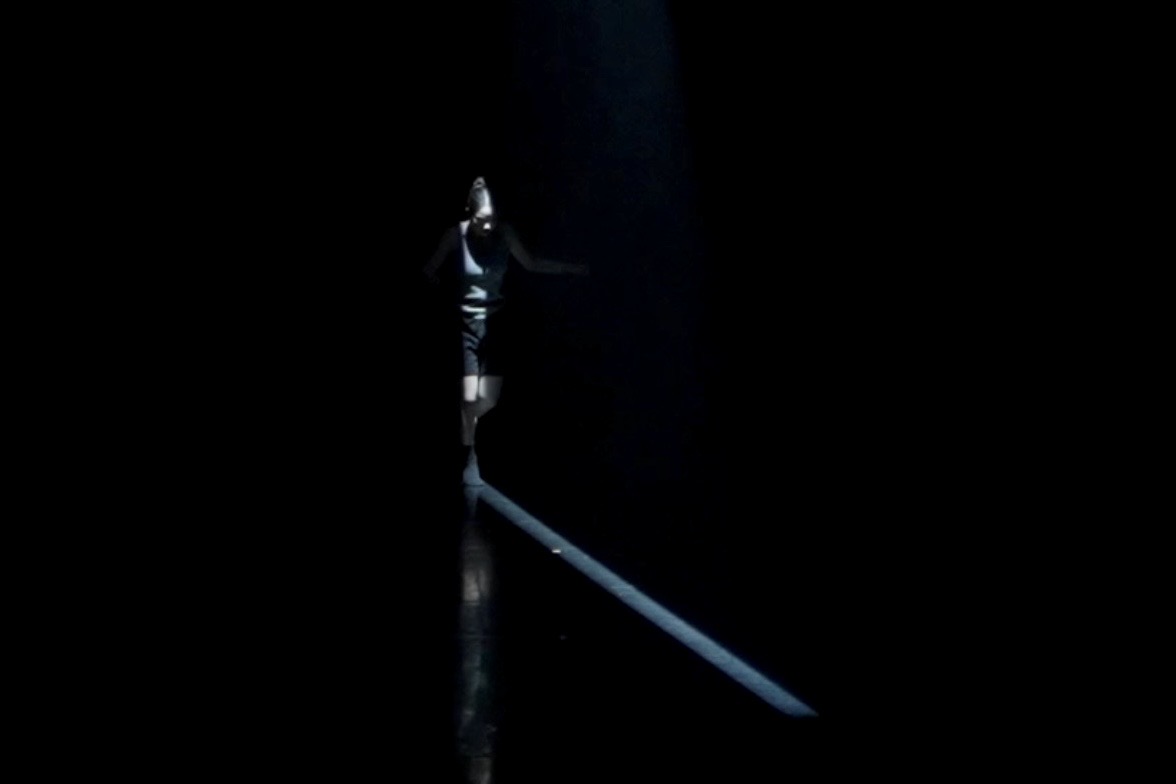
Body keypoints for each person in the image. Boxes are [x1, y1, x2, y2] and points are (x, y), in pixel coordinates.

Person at [422, 177, 588, 485]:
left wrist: (570, 268)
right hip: (465, 324)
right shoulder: (455, 235)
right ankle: (468, 457)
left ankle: (466, 433)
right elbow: (429, 270)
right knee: (469, 395)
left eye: (492, 218)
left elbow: (532, 263)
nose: (488, 225)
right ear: (470, 212)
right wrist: (441, 292)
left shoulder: (505, 233)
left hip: (495, 322)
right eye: (481, 219)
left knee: (488, 398)